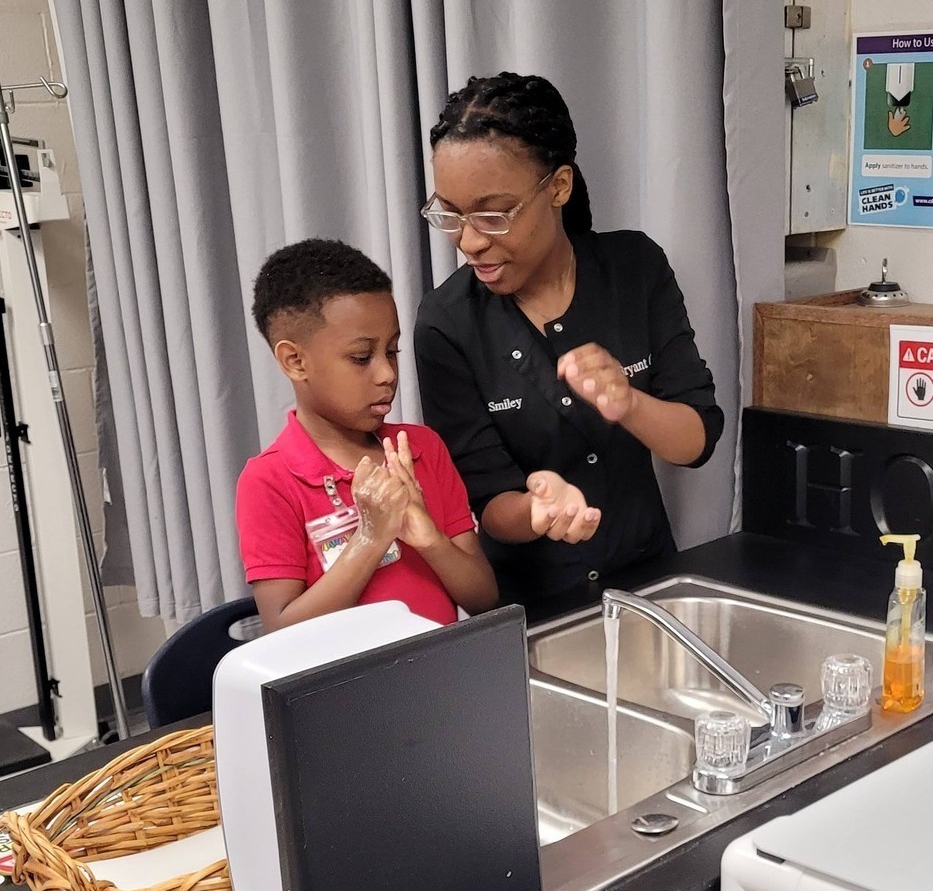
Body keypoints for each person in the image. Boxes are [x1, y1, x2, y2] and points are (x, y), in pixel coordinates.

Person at [414, 72, 724, 608]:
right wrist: (539, 511)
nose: (469, 241)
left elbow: (696, 439)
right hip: (533, 614)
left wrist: (627, 403)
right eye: (452, 214)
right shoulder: (447, 324)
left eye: (493, 214)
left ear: (558, 186)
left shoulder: (635, 269)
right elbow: (487, 502)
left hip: (650, 589)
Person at [236, 238, 498, 633]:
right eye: (362, 357)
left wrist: (429, 538)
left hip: (439, 676)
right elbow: (283, 632)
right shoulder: (269, 482)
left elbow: (484, 598)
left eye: (391, 351)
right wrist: (371, 538)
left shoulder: (421, 449)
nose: (387, 374)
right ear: (295, 361)